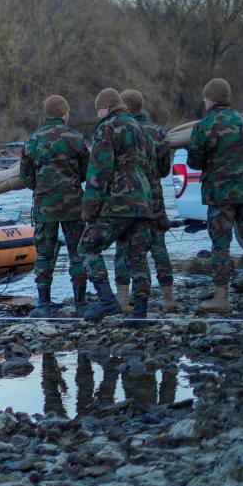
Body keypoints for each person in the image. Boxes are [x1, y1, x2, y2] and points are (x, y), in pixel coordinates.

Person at [79, 89, 154, 323]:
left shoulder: (107, 128)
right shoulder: (139, 128)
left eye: (98, 109)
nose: (97, 114)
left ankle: (106, 300)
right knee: (138, 255)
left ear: (107, 107)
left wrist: (89, 209)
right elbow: (149, 165)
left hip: (117, 202)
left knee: (88, 247)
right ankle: (140, 311)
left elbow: (98, 172)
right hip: (142, 201)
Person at [19, 95, 89, 317]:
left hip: (44, 206)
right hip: (73, 205)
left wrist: (42, 188)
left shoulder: (32, 140)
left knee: (44, 255)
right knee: (77, 252)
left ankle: (43, 304)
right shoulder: (76, 138)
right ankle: (80, 303)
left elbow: (26, 176)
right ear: (64, 113)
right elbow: (86, 172)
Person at [186, 78, 243, 314]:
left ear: (210, 99)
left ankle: (221, 298)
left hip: (220, 196)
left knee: (220, 245)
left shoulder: (204, 126)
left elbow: (195, 162)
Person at [120, 89, 176, 313]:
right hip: (154, 199)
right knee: (158, 246)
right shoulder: (159, 133)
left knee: (124, 247)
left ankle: (123, 299)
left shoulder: (119, 131)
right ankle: (168, 298)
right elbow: (164, 171)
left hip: (126, 199)